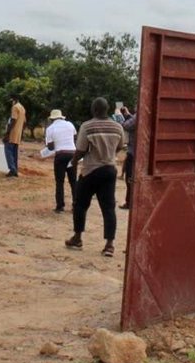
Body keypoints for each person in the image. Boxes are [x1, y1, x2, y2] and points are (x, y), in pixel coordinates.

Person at [64, 97, 125, 258]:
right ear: (107, 109)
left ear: (94, 110)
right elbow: (120, 146)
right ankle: (109, 245)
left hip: (91, 170)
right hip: (110, 170)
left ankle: (77, 238)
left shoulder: (88, 126)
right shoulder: (117, 126)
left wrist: (74, 161)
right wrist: (109, 155)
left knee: (80, 204)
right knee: (108, 208)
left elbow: (81, 149)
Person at [43, 108, 77, 213]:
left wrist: (50, 147)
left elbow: (50, 146)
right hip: (72, 154)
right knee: (73, 181)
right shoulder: (70, 124)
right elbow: (75, 137)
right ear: (61, 117)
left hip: (60, 155)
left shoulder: (50, 128)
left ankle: (60, 206)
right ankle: (76, 205)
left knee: (60, 182)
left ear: (52, 119)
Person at [2, 96, 26, 177]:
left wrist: (7, 134)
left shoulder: (15, 107)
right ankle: (15, 169)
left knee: (8, 150)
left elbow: (13, 120)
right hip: (18, 134)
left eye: (11, 101)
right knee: (14, 152)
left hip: (12, 134)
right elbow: (24, 122)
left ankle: (12, 169)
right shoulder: (22, 108)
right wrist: (21, 133)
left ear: (14, 100)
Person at [119, 106, 137, 209]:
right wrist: (128, 115)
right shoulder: (142, 115)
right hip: (138, 152)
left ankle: (129, 202)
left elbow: (125, 126)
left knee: (129, 178)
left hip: (133, 152)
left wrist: (118, 116)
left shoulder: (137, 116)